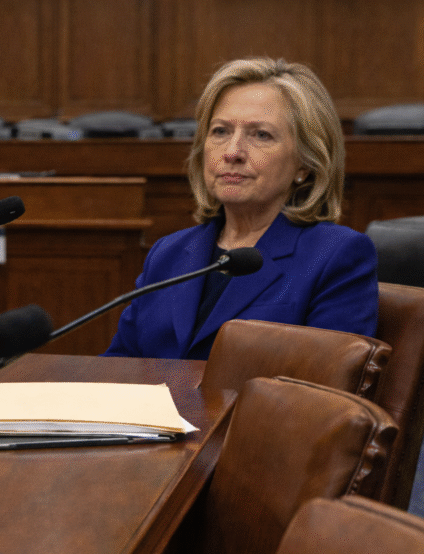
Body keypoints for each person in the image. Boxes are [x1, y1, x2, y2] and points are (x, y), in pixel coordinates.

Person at [102, 57, 378, 360]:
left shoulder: (335, 257)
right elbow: (120, 369)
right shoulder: (167, 254)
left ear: (305, 162)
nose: (232, 152)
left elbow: (328, 389)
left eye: (261, 135)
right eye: (220, 131)